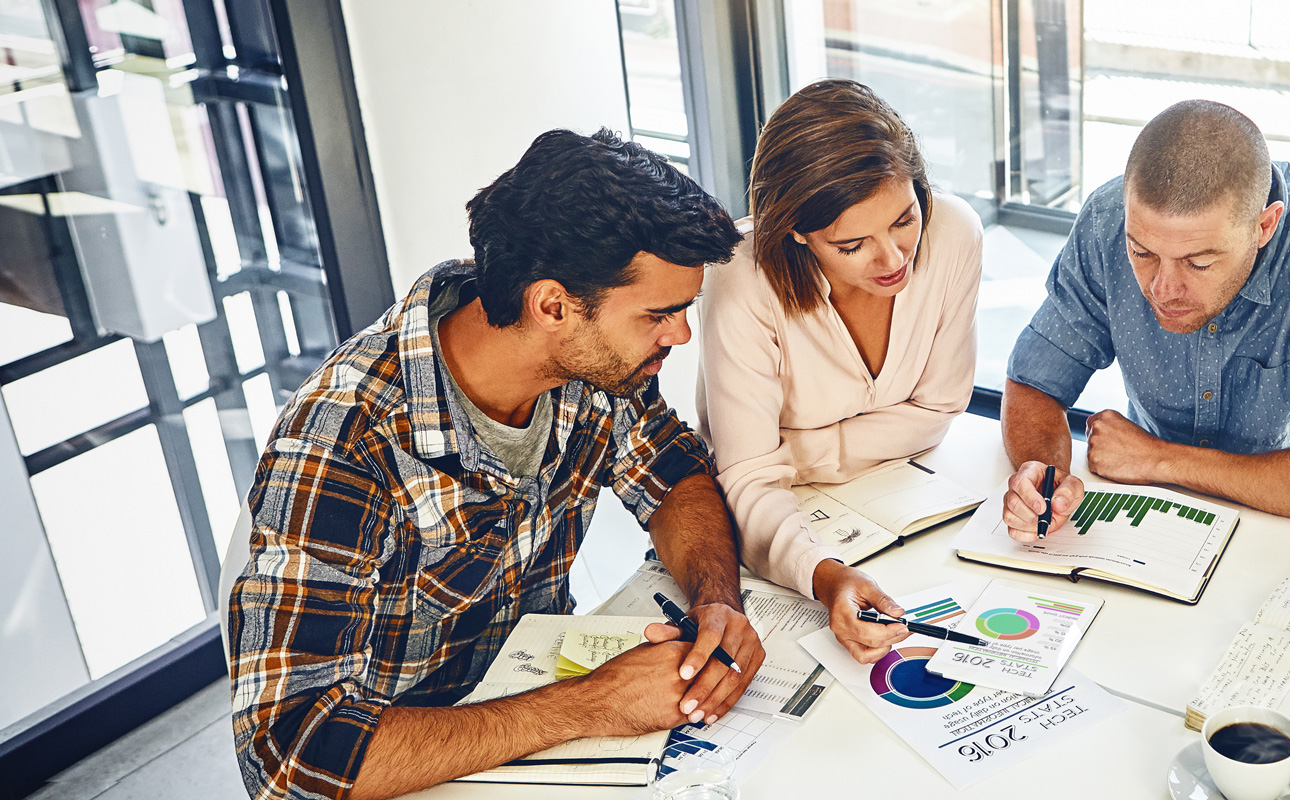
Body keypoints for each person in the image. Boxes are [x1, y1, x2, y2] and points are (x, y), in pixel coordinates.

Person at [228, 129, 768, 800]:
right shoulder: (342, 444)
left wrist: (716, 601)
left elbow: (671, 473)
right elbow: (289, 754)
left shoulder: (594, 362)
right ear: (552, 306)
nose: (680, 335)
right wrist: (589, 704)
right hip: (403, 768)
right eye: (660, 314)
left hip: (537, 715)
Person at [998, 100, 1290, 541]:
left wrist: (1159, 459)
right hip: (1148, 513)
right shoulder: (1108, 220)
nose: (1162, 290)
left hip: (1285, 523)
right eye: (1142, 253)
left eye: (1198, 262)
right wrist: (1045, 479)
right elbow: (1035, 382)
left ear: (1265, 226)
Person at [698, 79, 980, 664]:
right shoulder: (741, 279)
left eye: (905, 219)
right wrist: (824, 574)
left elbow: (940, 410)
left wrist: (790, 453)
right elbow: (747, 484)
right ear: (796, 233)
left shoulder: (953, 232)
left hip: (910, 510)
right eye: (853, 244)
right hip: (781, 542)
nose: (894, 259)